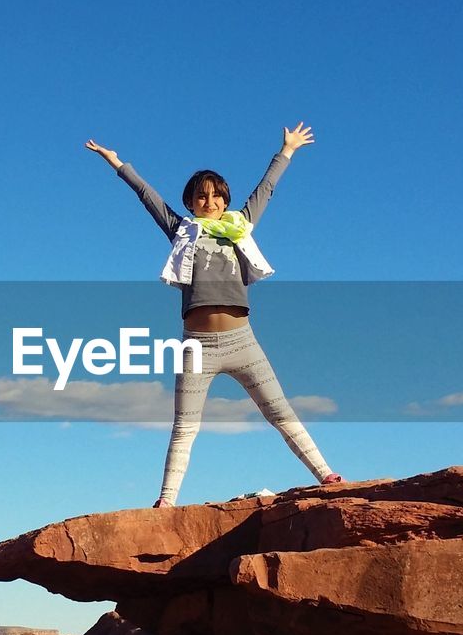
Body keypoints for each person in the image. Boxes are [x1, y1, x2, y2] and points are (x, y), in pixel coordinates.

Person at [85, 124, 343, 506]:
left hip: (243, 341)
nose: (209, 201)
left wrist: (286, 151)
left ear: (226, 201)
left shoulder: (240, 227)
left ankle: (327, 475)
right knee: (184, 427)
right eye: (201, 197)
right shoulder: (181, 231)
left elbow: (266, 189)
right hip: (196, 346)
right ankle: (166, 500)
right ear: (191, 203)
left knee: (280, 412)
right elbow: (147, 195)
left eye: (216, 195)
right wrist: (117, 163)